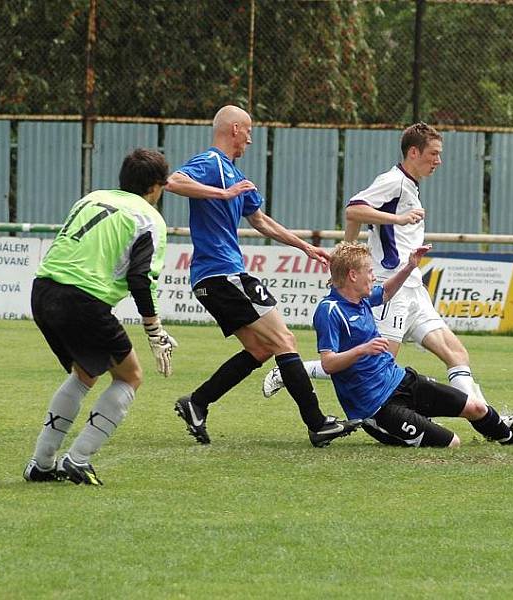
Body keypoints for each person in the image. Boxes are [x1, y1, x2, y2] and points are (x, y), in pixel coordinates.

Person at [165, 105, 359, 447]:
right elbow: (174, 181)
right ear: (235, 129)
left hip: (213, 278)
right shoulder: (211, 163)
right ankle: (317, 423)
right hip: (222, 273)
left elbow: (261, 221)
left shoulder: (237, 178)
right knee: (285, 341)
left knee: (259, 349)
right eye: (249, 131)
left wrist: (305, 247)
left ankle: (197, 403)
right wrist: (220, 193)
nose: (251, 139)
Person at [263, 123, 495, 410]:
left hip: (413, 288)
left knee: (456, 352)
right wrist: (398, 220)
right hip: (390, 289)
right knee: (378, 364)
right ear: (413, 152)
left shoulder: (408, 185)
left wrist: (344, 251)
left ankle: (487, 417)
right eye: (433, 154)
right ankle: (289, 372)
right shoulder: (393, 181)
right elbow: (353, 210)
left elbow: (356, 217)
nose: (439, 161)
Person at [23, 149, 176, 486]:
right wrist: (154, 329)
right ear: (155, 187)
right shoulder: (149, 217)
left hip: (43, 289)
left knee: (86, 372)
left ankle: (42, 464)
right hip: (82, 300)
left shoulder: (92, 197)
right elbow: (140, 278)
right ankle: (78, 460)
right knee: (130, 376)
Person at [313, 242, 513, 447]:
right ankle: (416, 425)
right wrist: (362, 349)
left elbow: (385, 292)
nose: (373, 276)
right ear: (353, 275)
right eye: (369, 271)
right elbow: (329, 363)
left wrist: (409, 267)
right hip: (377, 409)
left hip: (402, 380)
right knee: (452, 443)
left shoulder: (361, 299)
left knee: (476, 408)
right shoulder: (329, 310)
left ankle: (512, 440)